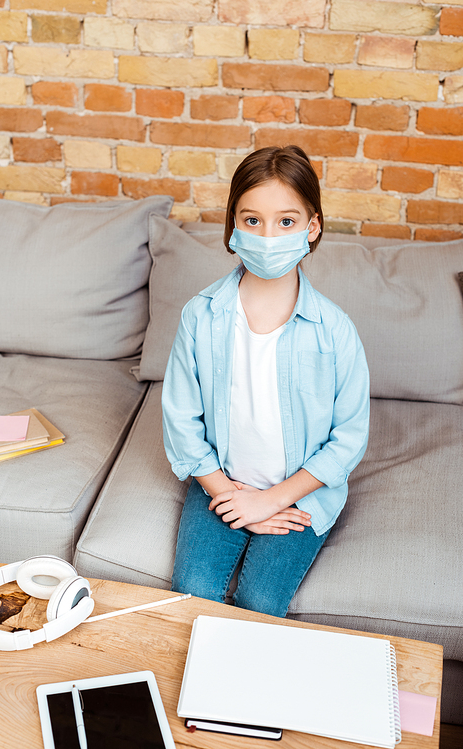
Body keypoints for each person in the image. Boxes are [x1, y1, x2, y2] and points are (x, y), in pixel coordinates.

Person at [162, 145, 370, 618]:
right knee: (192, 591)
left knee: (259, 601)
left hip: (299, 493)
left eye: (286, 221)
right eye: (252, 220)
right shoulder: (201, 316)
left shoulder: (334, 331)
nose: (268, 236)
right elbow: (180, 417)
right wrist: (228, 493)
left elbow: (349, 438)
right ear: (233, 224)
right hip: (221, 481)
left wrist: (271, 502)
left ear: (312, 227)